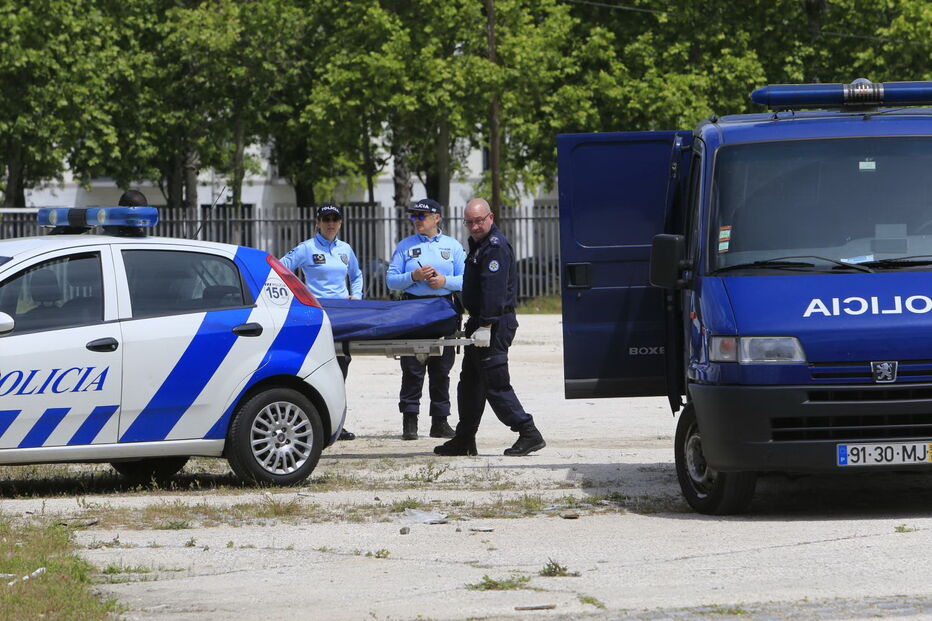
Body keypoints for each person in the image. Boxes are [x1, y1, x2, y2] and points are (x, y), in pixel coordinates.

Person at [434, 197, 545, 457]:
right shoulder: (478, 245)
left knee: (495, 383)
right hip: (481, 322)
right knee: (470, 384)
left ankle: (528, 431)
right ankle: (464, 438)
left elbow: (493, 291)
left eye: (479, 221)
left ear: (490, 218)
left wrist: (485, 325)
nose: (474, 226)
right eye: (469, 222)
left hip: (494, 323)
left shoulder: (494, 247)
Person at [281, 204, 363, 441]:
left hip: (343, 315)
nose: (330, 223)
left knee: (341, 370)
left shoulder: (346, 249)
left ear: (340, 223)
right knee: (316, 369)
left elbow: (356, 276)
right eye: (326, 219)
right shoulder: (307, 248)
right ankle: (312, 423)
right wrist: (297, 297)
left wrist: (356, 297)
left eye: (335, 219)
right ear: (317, 222)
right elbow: (281, 268)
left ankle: (338, 425)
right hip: (316, 316)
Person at [386, 198, 466, 440]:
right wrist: (414, 275)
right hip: (413, 308)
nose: (417, 220)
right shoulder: (405, 246)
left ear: (437, 218)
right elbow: (391, 280)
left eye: (421, 216)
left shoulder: (453, 246)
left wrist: (444, 282)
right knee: (412, 366)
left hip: (444, 308)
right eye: (414, 216)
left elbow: (466, 279)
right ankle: (409, 422)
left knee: (442, 367)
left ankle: (440, 422)